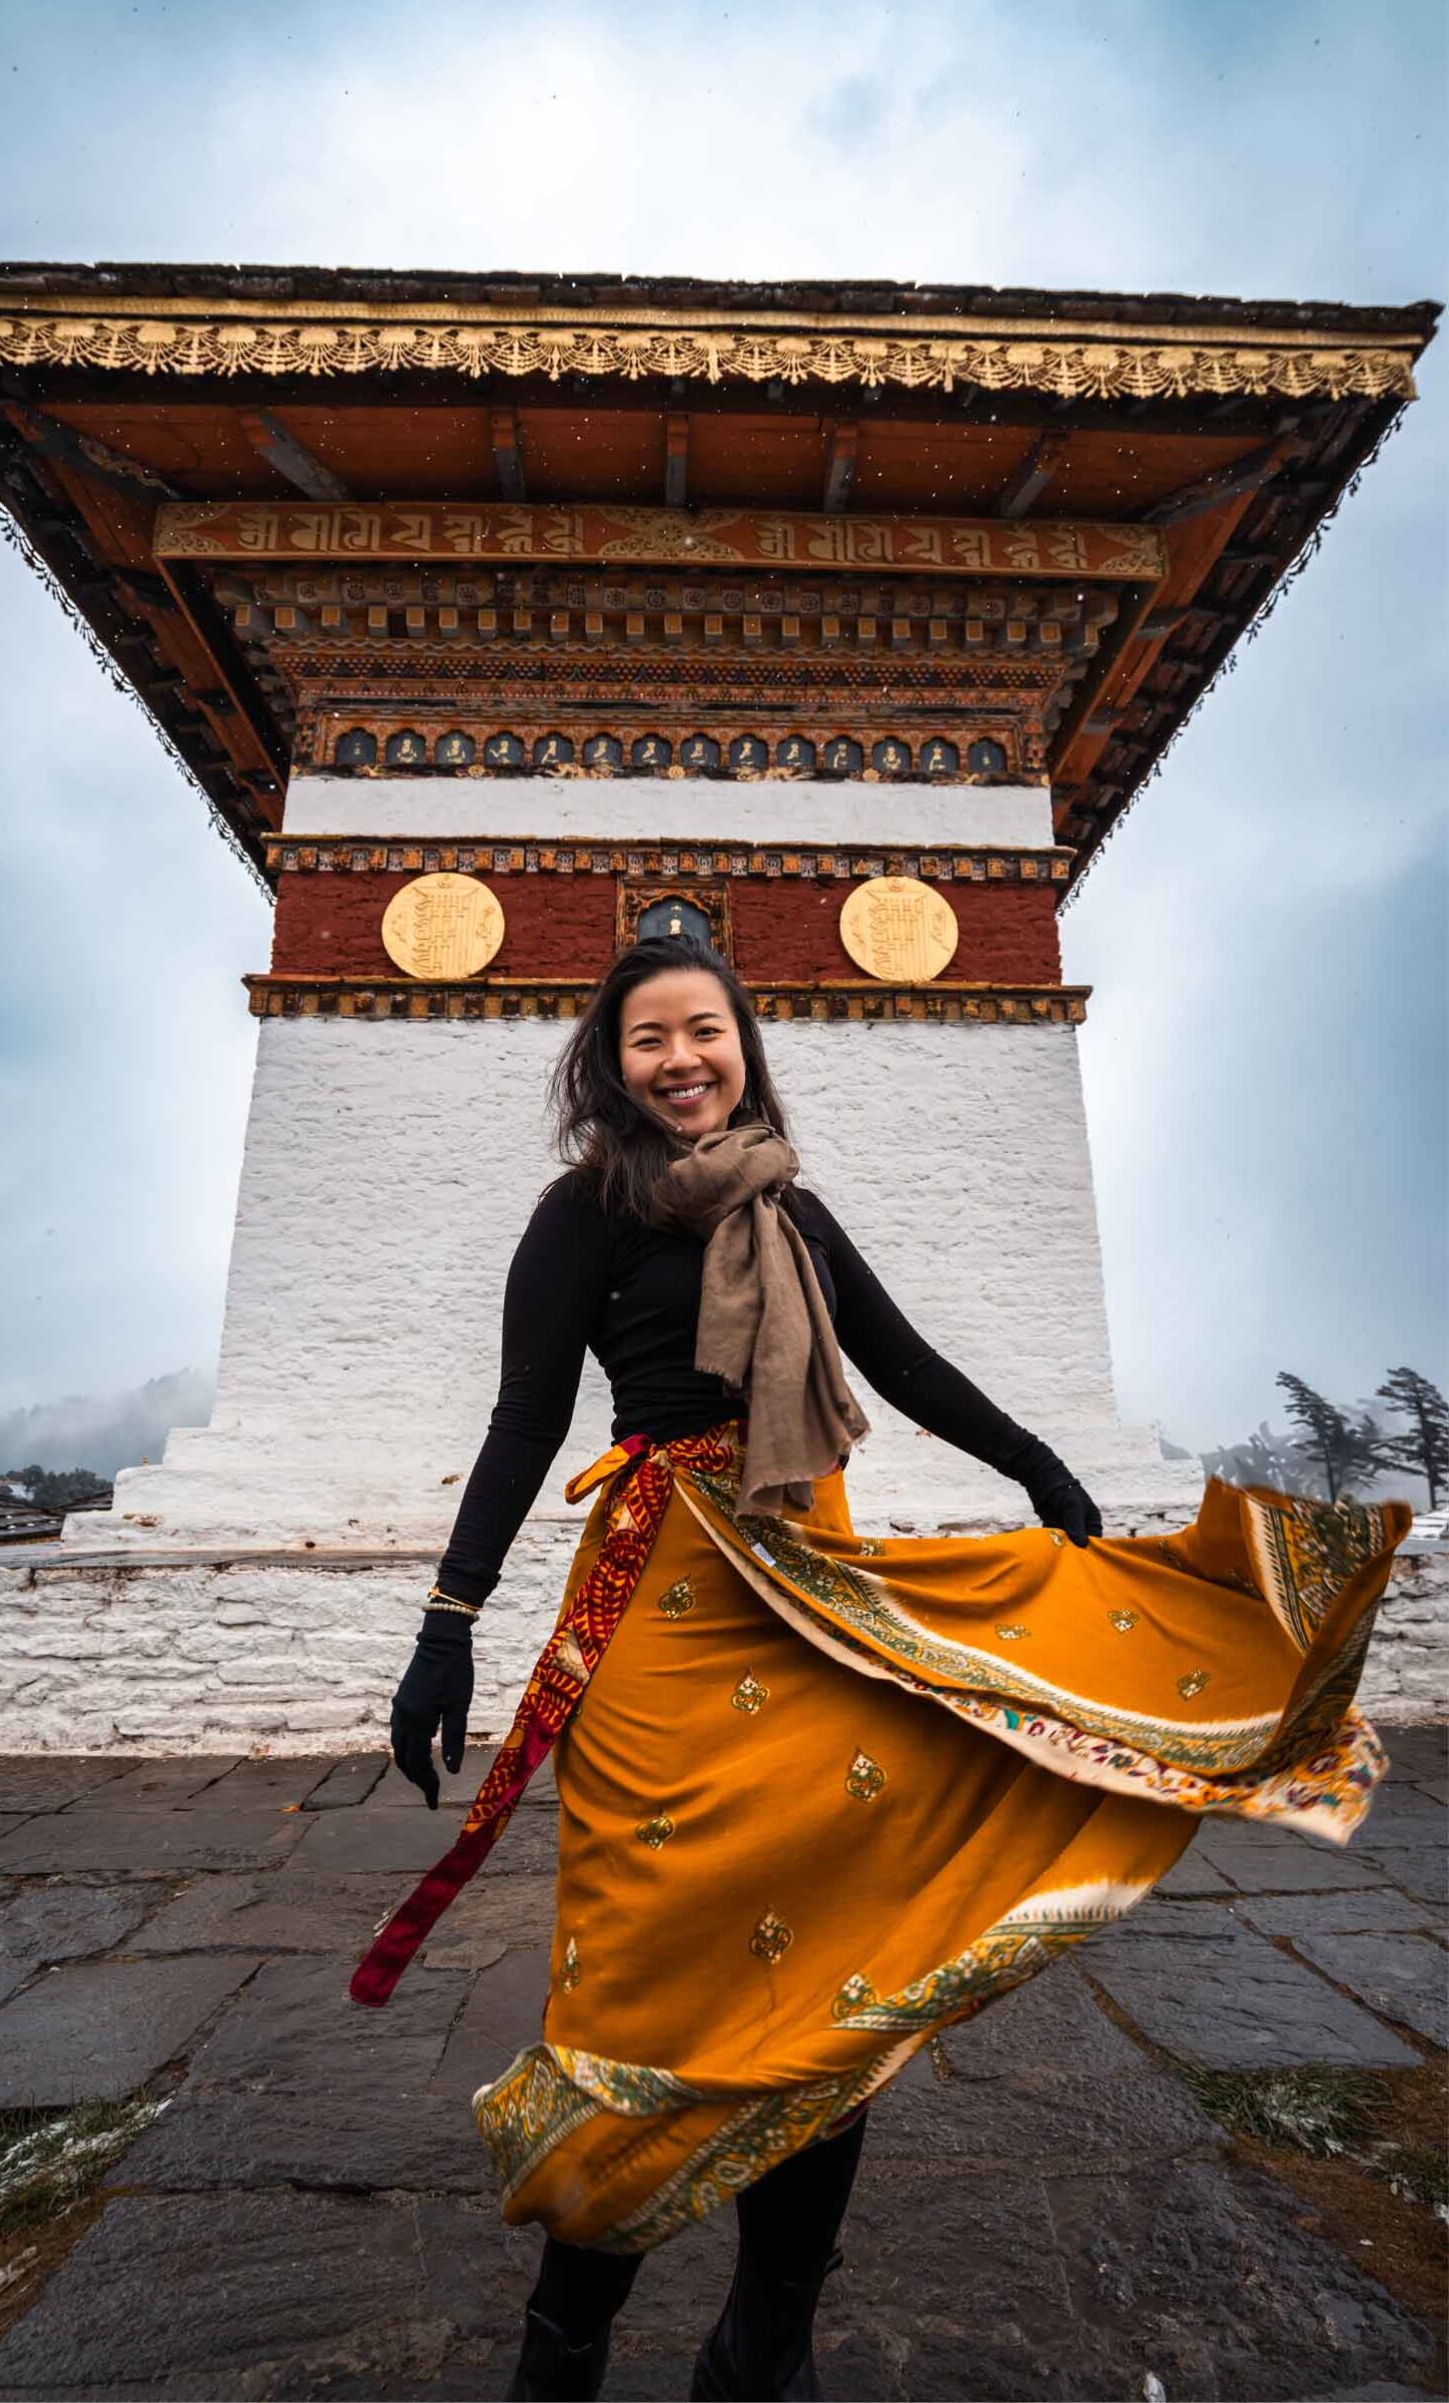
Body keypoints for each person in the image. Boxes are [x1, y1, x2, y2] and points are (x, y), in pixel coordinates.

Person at [355, 936, 1404, 2403]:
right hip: (667, 1611)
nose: (680, 1061)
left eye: (704, 1032)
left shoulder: (795, 1211)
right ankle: (565, 2344)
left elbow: (902, 1364)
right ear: (611, 1064)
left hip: (814, 1601)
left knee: (841, 1955)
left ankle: (768, 2340)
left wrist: (1038, 1466)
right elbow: (527, 1416)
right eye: (647, 1038)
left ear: (743, 1047)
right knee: (645, 1979)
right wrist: (445, 1622)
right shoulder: (582, 1213)